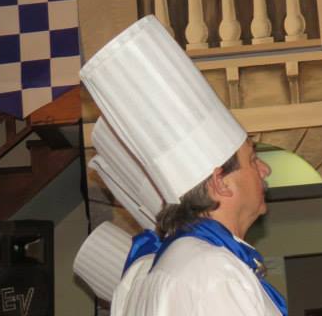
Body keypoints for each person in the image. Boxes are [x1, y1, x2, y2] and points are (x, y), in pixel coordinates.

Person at [80, 16, 284, 316]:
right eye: (252, 160)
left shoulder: (158, 269)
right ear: (220, 183)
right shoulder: (213, 272)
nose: (264, 170)